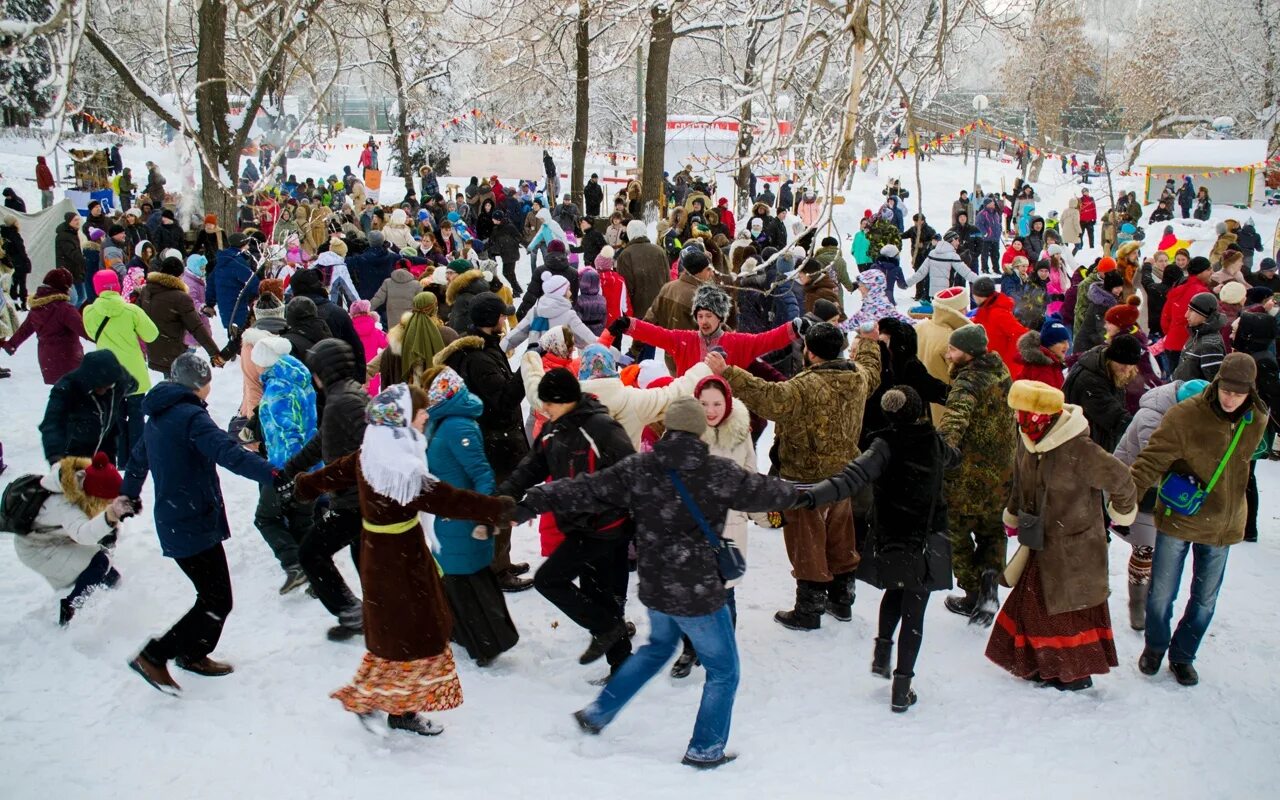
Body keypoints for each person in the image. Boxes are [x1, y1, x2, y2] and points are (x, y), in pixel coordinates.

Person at [511, 396, 799, 768]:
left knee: (656, 649)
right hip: (697, 592)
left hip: (657, 586)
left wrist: (534, 499)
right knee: (724, 671)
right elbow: (774, 492)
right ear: (699, 430)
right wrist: (821, 490)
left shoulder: (640, 468)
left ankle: (599, 712)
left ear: (668, 429)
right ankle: (705, 748)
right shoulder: (718, 472)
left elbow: (585, 488)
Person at [294, 383, 513, 736]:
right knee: (413, 634)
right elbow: (448, 499)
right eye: (420, 411)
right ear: (400, 418)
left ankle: (383, 702)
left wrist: (306, 485)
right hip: (401, 561)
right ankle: (397, 709)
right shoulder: (401, 470)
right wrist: (499, 509)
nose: (425, 415)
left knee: (394, 632)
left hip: (380, 553)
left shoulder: (373, 452)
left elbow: (334, 471)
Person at [123, 354, 281, 693]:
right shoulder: (191, 417)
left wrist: (129, 496)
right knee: (216, 599)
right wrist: (274, 474)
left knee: (213, 596)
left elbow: (137, 461)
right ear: (200, 384)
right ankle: (155, 655)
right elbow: (230, 454)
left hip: (178, 517)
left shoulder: (159, 416)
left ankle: (193, 653)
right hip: (192, 519)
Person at [798, 386, 959, 710]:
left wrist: (814, 495)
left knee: (895, 590)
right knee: (915, 609)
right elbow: (954, 458)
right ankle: (902, 689)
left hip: (892, 535)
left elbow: (851, 478)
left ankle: (882, 652)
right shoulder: (933, 441)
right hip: (926, 539)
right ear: (918, 411)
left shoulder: (884, 445)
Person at [711, 321, 881, 629]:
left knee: (807, 543)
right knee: (840, 537)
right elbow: (872, 367)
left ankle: (809, 607)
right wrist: (869, 341)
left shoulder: (804, 387)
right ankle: (842, 598)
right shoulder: (858, 378)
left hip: (805, 482)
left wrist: (728, 371)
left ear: (811, 354)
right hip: (843, 477)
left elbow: (768, 397)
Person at [985, 380, 1138, 690]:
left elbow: (1122, 479)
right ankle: (1043, 666)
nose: (1017, 419)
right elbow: (1020, 480)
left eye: (1021, 413)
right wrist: (1014, 511)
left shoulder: (1079, 449)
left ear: (1039, 414)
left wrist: (1120, 512)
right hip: (1040, 543)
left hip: (1075, 548)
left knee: (1066, 611)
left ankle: (1074, 673)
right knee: (1035, 608)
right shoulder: (1028, 438)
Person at [1128, 354, 1267, 686]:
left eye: (1239, 393)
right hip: (1181, 516)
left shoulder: (1256, 419)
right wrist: (1126, 497)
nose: (1230, 398)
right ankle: (1155, 646)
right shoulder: (1186, 415)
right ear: (1217, 383)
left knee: (1205, 599)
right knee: (1161, 593)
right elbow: (1151, 460)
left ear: (1250, 391)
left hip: (1224, 522)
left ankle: (1183, 655)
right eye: (1226, 390)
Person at [499, 367, 637, 674]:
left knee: (585, 592)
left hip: (610, 529)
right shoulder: (552, 431)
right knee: (581, 593)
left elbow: (632, 475)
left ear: (567, 400)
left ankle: (619, 657)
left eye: (550, 402)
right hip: (577, 527)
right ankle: (613, 639)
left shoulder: (602, 428)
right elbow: (530, 468)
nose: (544, 408)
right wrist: (505, 496)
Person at [419, 366, 519, 666]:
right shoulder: (441, 421)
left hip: (461, 518)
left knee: (467, 581)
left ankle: (487, 642)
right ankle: (473, 636)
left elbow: (482, 475)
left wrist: (482, 517)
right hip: (450, 515)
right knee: (460, 580)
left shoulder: (456, 426)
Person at [436, 292, 535, 592]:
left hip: (496, 439)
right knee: (500, 503)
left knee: (499, 502)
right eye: (502, 315)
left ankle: (500, 561)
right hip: (495, 442)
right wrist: (526, 366)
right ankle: (497, 569)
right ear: (491, 320)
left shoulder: (482, 349)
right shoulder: (479, 358)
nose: (506, 319)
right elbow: (503, 400)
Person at [1112, 378, 1209, 629]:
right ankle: (1137, 604)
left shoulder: (1190, 414)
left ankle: (1148, 599)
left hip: (1169, 491)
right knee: (1145, 547)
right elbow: (1156, 464)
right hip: (1138, 486)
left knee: (1159, 547)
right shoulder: (1152, 417)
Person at [938, 324, 1016, 626]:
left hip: (969, 474)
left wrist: (942, 450)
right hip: (1002, 470)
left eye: (953, 350)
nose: (948, 354)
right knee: (992, 530)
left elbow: (955, 419)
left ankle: (972, 593)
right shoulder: (1002, 371)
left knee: (956, 531)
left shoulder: (968, 382)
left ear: (968, 354)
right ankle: (989, 584)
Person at [13, 453, 131, 625]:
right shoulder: (65, 505)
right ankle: (70, 611)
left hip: (49, 537)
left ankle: (117, 603)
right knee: (98, 566)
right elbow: (83, 534)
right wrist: (109, 516)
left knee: (107, 573)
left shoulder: (75, 479)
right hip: (37, 548)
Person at [248, 338, 318, 595]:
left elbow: (289, 434)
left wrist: (287, 474)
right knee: (302, 520)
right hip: (310, 462)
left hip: (285, 466)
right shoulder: (298, 376)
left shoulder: (278, 389)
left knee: (266, 518)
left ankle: (294, 564)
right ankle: (316, 573)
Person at [614, 281, 799, 377]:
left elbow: (767, 340)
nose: (704, 321)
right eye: (700, 316)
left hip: (724, 415)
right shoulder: (684, 340)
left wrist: (794, 328)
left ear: (720, 317)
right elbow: (657, 334)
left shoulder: (737, 342)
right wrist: (629, 325)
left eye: (709, 316)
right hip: (689, 414)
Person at [82, 270, 158, 467]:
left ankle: (120, 458)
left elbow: (91, 333)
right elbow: (152, 334)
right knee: (136, 416)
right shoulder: (131, 311)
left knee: (115, 418)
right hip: (133, 373)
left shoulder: (89, 312)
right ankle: (138, 457)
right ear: (117, 286)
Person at [137, 255, 225, 375]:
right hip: (173, 351)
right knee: (178, 386)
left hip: (154, 349)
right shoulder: (180, 297)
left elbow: (138, 317)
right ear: (178, 276)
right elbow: (196, 327)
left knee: (169, 382)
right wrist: (214, 353)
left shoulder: (146, 291)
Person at [3, 268, 88, 385]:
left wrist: (11, 345)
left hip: (47, 360)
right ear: (64, 287)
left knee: (59, 396)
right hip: (69, 359)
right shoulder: (65, 309)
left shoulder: (37, 308)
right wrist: (104, 337)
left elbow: (24, 330)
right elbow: (85, 330)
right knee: (74, 397)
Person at [970, 277, 1028, 371]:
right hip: (990, 361)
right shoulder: (985, 307)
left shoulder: (997, 313)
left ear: (979, 296)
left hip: (1002, 365)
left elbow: (1019, 334)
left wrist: (1008, 361)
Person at [1172, 292, 1226, 383]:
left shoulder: (1210, 345)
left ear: (1205, 315)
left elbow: (1214, 384)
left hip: (1194, 396)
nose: (1186, 315)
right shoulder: (1197, 333)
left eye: (1191, 311)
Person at [1012, 319, 1070, 388]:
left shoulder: (1053, 363)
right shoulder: (1043, 368)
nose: (1067, 346)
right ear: (1049, 343)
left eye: (1067, 341)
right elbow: (1047, 397)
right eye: (1061, 342)